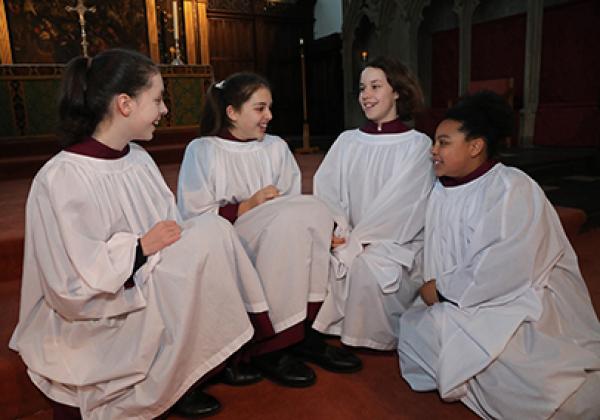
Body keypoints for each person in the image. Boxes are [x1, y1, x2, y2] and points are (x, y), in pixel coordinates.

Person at [9, 49, 271, 420]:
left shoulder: (138, 159)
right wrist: (139, 248)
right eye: (158, 99)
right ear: (125, 104)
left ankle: (190, 368)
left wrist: (164, 245)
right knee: (210, 233)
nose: (165, 110)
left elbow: (170, 229)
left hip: (150, 283)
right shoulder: (62, 177)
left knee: (212, 232)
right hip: (100, 315)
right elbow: (70, 282)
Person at [398, 91, 600, 419]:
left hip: (515, 299)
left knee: (531, 372)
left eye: (443, 142)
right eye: (435, 142)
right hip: (459, 300)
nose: (433, 151)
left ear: (476, 146)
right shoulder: (441, 187)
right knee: (416, 331)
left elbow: (508, 267)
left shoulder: (510, 188)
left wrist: (443, 289)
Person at [177, 72, 362, 388]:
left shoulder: (275, 147)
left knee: (314, 210)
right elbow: (192, 215)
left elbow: (293, 199)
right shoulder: (203, 150)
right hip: (233, 239)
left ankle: (301, 333)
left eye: (270, 108)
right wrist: (247, 206)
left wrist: (321, 229)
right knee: (292, 221)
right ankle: (270, 346)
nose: (270, 116)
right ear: (233, 112)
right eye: (260, 108)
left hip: (281, 233)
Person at [312, 56, 435, 350]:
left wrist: (363, 241)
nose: (366, 95)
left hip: (395, 241)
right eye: (362, 87)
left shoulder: (417, 145)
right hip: (346, 235)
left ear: (397, 91)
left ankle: (368, 337)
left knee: (369, 266)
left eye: (376, 86)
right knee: (315, 258)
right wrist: (341, 233)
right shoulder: (347, 141)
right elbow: (326, 190)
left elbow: (406, 204)